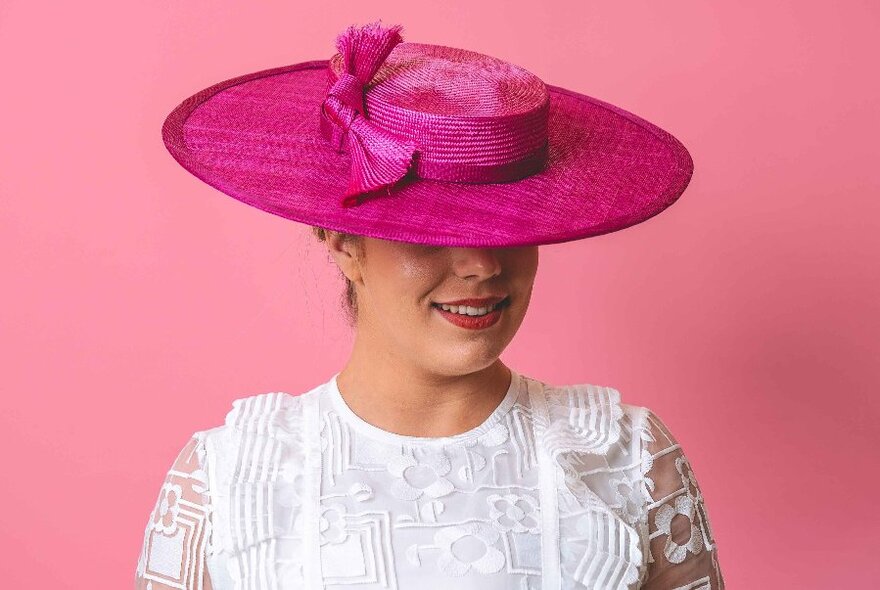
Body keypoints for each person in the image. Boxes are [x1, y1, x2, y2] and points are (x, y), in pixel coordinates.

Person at [137, 21, 724, 590]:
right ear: (343, 240)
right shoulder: (232, 477)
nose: (484, 265)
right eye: (431, 231)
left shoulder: (625, 459)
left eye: (509, 227)